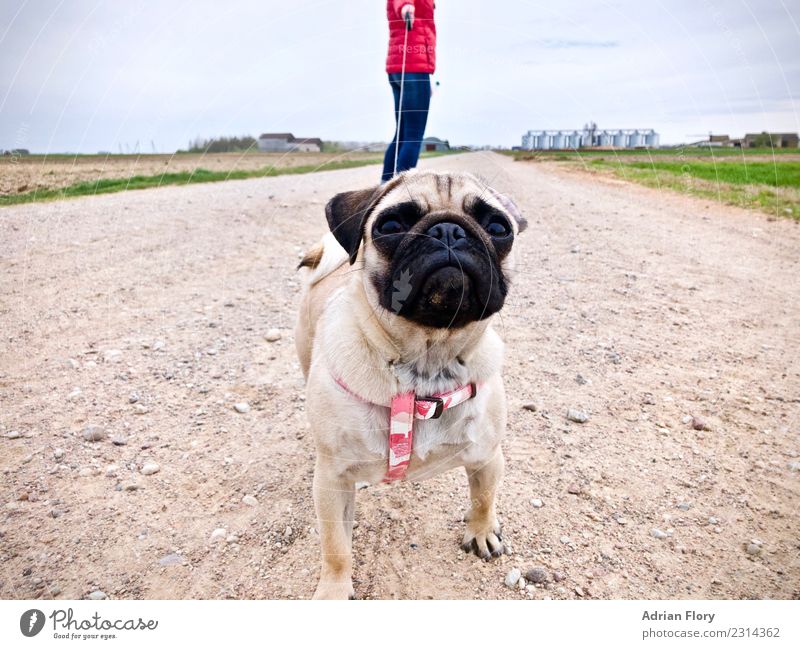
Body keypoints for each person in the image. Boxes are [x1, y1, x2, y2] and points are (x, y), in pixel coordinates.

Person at [381, 0, 436, 182]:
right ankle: (401, 192)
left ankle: (384, 187)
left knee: (403, 134)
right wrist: (406, 5)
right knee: (413, 134)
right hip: (412, 66)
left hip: (402, 68)